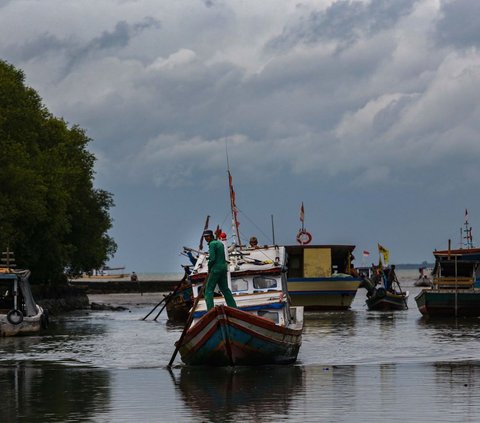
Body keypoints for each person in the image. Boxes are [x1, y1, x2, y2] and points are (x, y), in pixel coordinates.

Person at [202, 229, 237, 310]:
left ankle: (210, 311)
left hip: (215, 270)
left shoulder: (212, 244)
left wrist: (209, 268)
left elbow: (212, 259)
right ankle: (234, 308)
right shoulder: (220, 243)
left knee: (208, 291)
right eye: (205, 237)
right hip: (223, 268)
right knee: (225, 289)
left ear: (211, 236)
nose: (206, 238)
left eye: (207, 236)